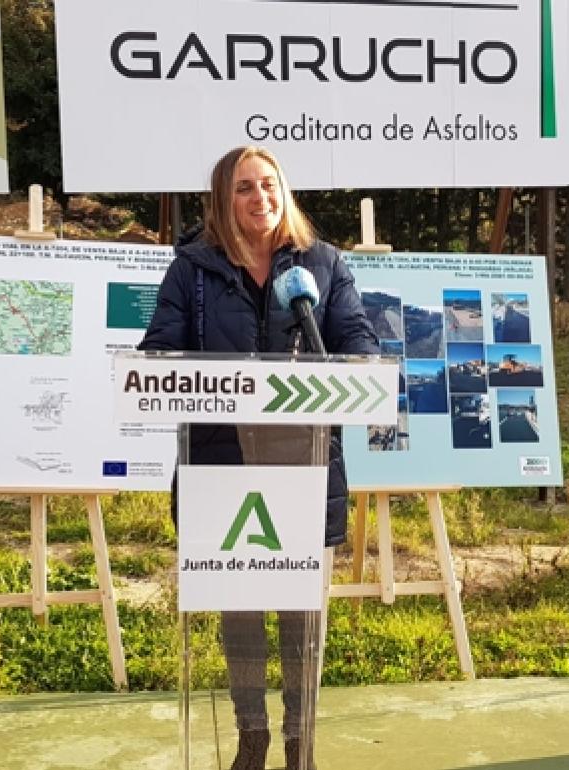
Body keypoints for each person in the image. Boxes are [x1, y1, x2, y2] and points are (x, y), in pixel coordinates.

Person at [140, 146, 379, 770]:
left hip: (304, 464)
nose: (260, 198)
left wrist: (356, 365)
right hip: (221, 462)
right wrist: (162, 365)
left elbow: (357, 339)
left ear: (284, 191)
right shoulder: (192, 270)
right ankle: (252, 737)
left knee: (303, 616)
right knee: (240, 611)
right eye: (245, 187)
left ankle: (302, 741)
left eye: (269, 184)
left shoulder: (322, 264)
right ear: (224, 198)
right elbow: (160, 347)